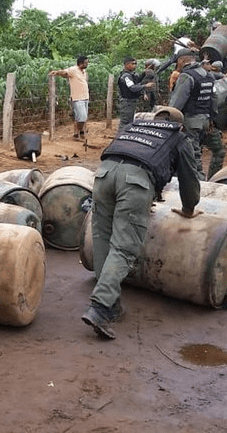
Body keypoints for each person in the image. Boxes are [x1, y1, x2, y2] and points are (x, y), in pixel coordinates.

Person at [82, 106, 201, 340]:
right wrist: (189, 208)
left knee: (102, 238)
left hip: (103, 176)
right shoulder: (178, 137)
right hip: (134, 182)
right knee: (124, 247)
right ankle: (100, 307)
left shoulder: (135, 126)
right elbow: (189, 180)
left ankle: (111, 303)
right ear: (180, 125)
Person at [168, 49, 226, 180]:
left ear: (182, 60)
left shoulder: (186, 76)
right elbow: (214, 99)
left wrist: (170, 120)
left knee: (193, 155)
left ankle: (199, 182)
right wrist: (211, 118)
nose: (177, 65)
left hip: (191, 121)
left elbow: (177, 103)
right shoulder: (209, 76)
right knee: (201, 150)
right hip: (205, 121)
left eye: (177, 62)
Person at [50, 56, 90, 140]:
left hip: (85, 97)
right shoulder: (73, 70)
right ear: (81, 63)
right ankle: (80, 132)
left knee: (80, 117)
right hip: (77, 97)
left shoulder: (84, 71)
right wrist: (56, 72)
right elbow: (64, 72)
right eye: (86, 62)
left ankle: (77, 134)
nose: (87, 64)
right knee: (82, 117)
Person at [117, 57, 155, 130]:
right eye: (133, 64)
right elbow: (133, 87)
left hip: (132, 102)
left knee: (130, 121)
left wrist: (144, 73)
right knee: (125, 122)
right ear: (127, 65)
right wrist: (145, 86)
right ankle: (122, 135)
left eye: (135, 64)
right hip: (127, 102)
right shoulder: (126, 76)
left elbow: (137, 81)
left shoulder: (132, 75)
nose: (135, 65)